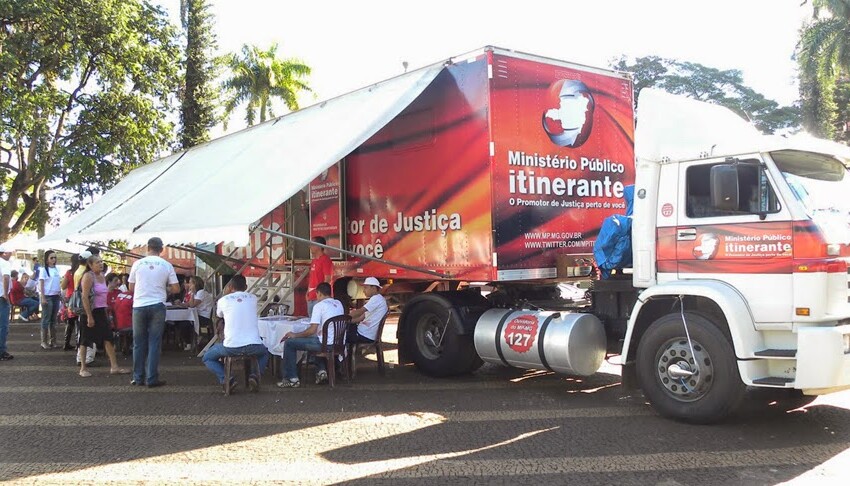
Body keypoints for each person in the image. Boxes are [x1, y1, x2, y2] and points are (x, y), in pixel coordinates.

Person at [203, 274, 269, 392]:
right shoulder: (253, 298)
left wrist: (226, 294)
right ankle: (254, 376)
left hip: (231, 347)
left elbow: (219, 315)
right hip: (254, 346)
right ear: (246, 286)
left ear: (230, 286)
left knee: (207, 358)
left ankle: (226, 379)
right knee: (265, 353)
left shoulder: (223, 300)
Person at [129, 237, 180, 388]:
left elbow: (131, 287)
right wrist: (164, 289)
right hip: (158, 305)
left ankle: (138, 378)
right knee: (154, 342)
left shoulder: (137, 264)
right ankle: (152, 378)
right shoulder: (166, 265)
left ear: (148, 247)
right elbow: (176, 288)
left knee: (138, 343)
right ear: (161, 249)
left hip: (139, 305)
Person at [277, 282, 344, 388]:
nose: (316, 298)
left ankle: (291, 378)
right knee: (317, 338)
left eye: (317, 295)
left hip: (324, 345)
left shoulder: (319, 306)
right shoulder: (338, 303)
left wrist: (295, 335)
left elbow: (312, 330)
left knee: (289, 343)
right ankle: (321, 371)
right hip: (338, 343)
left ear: (320, 294)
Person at [78, 254, 129, 377]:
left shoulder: (101, 276)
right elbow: (84, 297)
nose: (100, 264)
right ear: (90, 265)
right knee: (85, 339)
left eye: (101, 262)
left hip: (102, 310)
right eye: (97, 262)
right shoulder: (88, 276)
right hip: (90, 311)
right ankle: (83, 367)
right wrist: (89, 316)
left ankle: (114, 366)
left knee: (108, 337)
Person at [347, 277, 388, 344]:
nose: (363, 291)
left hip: (364, 335)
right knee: (346, 327)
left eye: (366, 288)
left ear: (374, 288)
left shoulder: (376, 299)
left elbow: (360, 311)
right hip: (364, 333)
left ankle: (342, 353)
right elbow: (360, 318)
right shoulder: (378, 299)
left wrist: (344, 317)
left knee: (340, 335)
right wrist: (346, 321)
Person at [38, 250, 62, 349]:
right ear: (47, 260)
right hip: (47, 296)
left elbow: (57, 282)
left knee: (53, 319)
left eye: (55, 257)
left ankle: (53, 340)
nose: (54, 259)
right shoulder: (44, 270)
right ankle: (44, 341)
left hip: (56, 296)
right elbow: (42, 283)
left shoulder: (56, 269)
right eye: (51, 258)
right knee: (46, 319)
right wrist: (43, 297)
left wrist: (60, 293)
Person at [306, 236, 333, 317]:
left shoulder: (325, 260)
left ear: (318, 246)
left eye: (311, 244)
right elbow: (312, 278)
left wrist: (321, 296)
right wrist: (307, 292)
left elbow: (327, 279)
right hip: (311, 297)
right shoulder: (314, 260)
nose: (309, 247)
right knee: (311, 321)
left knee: (318, 323)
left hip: (319, 298)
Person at [60, 254, 81, 351]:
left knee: (70, 321)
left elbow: (63, 286)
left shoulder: (69, 273)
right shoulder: (82, 272)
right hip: (79, 297)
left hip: (70, 297)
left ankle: (66, 342)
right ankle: (78, 344)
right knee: (78, 321)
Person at [0, 242, 14, 361]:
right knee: (3, 325)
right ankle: (1, 351)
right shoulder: (4, 263)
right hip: (1, 297)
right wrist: (5, 293)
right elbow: (5, 277)